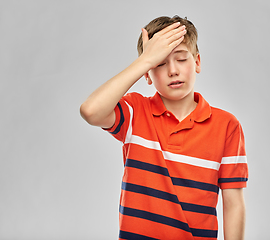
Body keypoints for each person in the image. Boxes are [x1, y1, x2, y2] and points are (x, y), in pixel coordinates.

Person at [80, 15, 248, 240]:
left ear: (197, 62)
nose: (173, 71)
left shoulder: (227, 126)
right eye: (160, 63)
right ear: (147, 75)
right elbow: (91, 110)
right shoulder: (135, 112)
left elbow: (234, 203)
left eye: (181, 59)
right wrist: (144, 61)